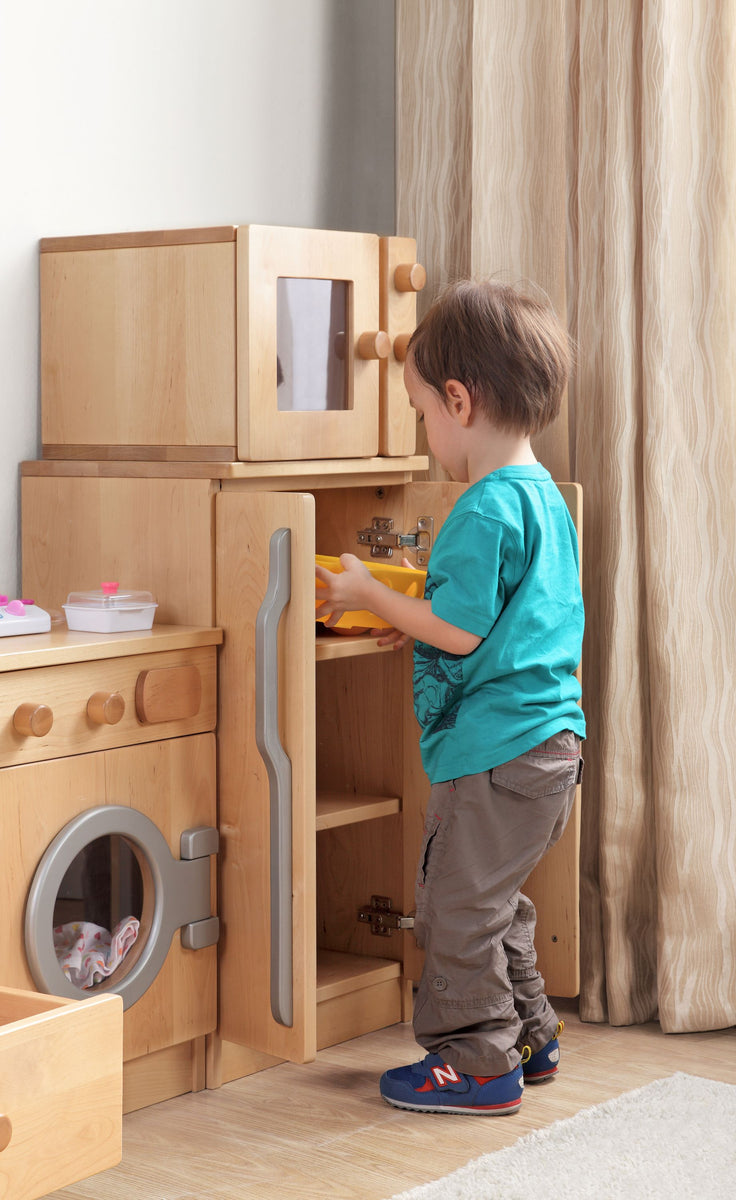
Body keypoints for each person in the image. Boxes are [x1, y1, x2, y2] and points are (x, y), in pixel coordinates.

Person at [314, 278, 585, 1116]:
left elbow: (463, 635)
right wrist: (414, 618)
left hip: (495, 755)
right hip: (547, 748)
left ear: (459, 401)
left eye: (422, 412)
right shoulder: (544, 499)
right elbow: (494, 623)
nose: (427, 431)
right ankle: (527, 1033)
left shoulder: (482, 507)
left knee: (456, 909)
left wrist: (368, 593)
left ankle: (475, 1060)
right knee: (491, 898)